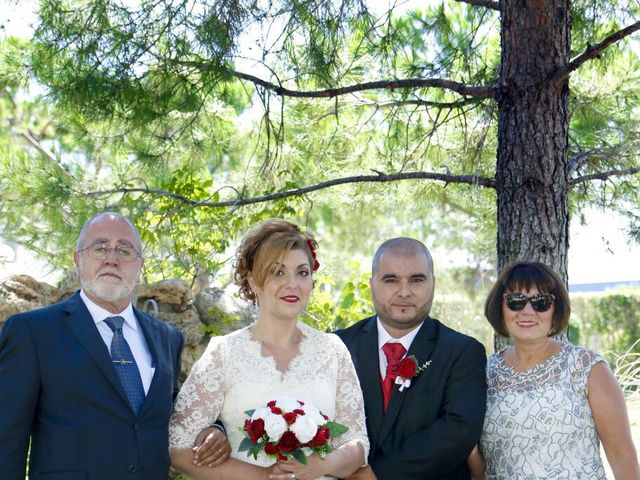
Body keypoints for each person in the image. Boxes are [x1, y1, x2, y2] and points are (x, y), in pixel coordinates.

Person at [0, 212, 228, 479]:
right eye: (100, 248)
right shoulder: (33, 332)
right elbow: (6, 441)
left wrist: (216, 429)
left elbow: (176, 409)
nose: (112, 258)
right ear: (78, 260)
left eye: (124, 250)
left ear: (140, 264)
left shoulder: (167, 338)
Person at [169, 219, 369, 480]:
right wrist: (263, 476)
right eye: (278, 272)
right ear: (253, 281)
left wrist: (319, 467)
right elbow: (179, 447)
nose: (292, 284)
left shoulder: (333, 350)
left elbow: (358, 445)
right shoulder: (224, 354)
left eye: (302, 272)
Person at [467, 260, 640, 479]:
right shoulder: (482, 373)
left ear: (555, 311)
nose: (527, 311)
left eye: (540, 302)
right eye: (515, 301)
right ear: (500, 308)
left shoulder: (587, 367)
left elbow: (622, 457)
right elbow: (480, 470)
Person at [335, 237, 487, 480]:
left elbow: (459, 430)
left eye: (416, 280)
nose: (404, 292)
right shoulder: (338, 346)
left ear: (433, 284)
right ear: (372, 284)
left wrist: (375, 475)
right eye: (391, 280)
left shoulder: (463, 352)